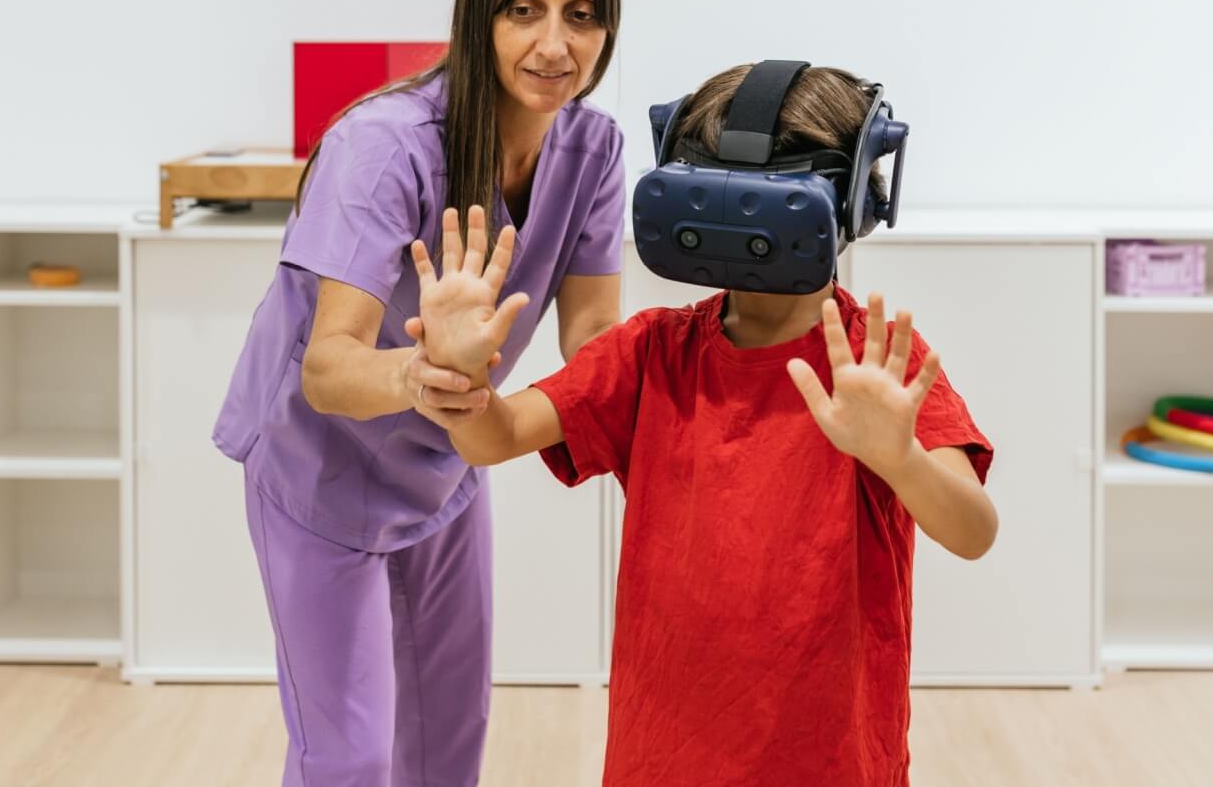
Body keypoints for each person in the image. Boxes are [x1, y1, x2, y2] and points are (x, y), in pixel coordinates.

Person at [408, 63, 999, 787]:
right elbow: (493, 437)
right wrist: (459, 377)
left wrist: (899, 457)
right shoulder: (653, 352)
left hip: (830, 760)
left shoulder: (875, 370)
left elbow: (974, 531)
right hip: (664, 756)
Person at [211, 0, 625, 787]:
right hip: (319, 466)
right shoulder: (384, 146)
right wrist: (426, 373)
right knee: (350, 756)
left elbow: (594, 327)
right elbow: (329, 367)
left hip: (443, 462)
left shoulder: (592, 150)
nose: (555, 44)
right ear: (482, 14)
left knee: (447, 742)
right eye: (525, 9)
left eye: (581, 15)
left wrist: (651, 417)